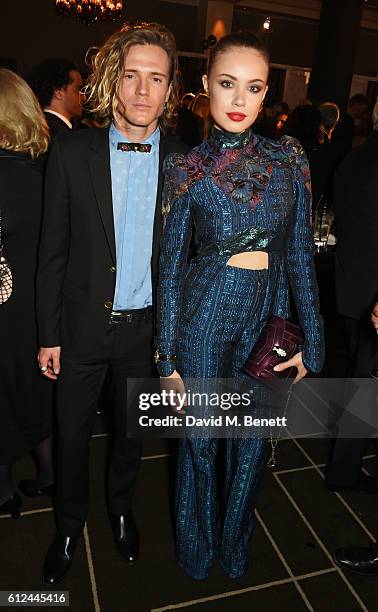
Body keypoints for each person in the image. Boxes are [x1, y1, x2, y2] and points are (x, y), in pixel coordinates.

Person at [155, 32, 324, 580]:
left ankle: (234, 547)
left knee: (251, 449)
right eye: (227, 84)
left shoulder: (289, 159)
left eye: (252, 88)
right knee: (201, 446)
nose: (238, 99)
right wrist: (166, 357)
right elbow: (171, 266)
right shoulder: (186, 169)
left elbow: (300, 255)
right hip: (202, 320)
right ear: (205, 86)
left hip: (266, 322)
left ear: (266, 91)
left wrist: (313, 343)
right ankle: (196, 551)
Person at [37, 22, 187, 584]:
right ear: (111, 81)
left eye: (156, 78)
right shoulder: (71, 152)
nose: (143, 91)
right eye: (131, 76)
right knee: (71, 435)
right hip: (77, 329)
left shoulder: (182, 162)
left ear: (171, 90)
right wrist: (47, 334)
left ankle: (121, 511)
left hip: (144, 334)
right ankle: (69, 524)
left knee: (131, 435)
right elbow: (51, 253)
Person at [0, 69, 54, 518]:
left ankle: (4, 490)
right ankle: (51, 476)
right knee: (33, 393)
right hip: (38, 305)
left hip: (11, 307)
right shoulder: (48, 167)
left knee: (10, 392)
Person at [325, 98, 378, 493]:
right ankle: (344, 470)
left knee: (358, 377)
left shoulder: (353, 159)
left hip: (350, 285)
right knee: (366, 387)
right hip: (372, 294)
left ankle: (344, 456)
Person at [31, 58, 83, 138]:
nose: (84, 97)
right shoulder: (62, 136)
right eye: (78, 89)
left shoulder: (38, 128)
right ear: (58, 92)